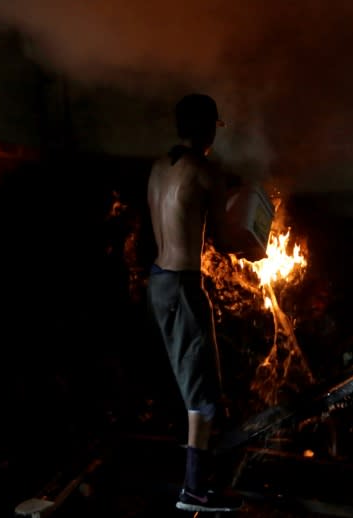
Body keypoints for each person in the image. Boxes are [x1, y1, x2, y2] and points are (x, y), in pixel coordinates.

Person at [145, 93, 244, 512]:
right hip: (184, 287)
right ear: (208, 130)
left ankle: (195, 477)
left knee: (190, 380)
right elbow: (224, 240)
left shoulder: (158, 166)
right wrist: (254, 248)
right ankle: (195, 490)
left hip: (158, 280)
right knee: (202, 392)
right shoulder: (205, 171)